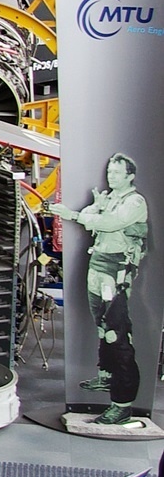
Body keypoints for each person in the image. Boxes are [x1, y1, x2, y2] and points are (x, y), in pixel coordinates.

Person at [51, 153, 150, 425]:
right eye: (109, 171)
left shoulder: (134, 202)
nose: (111, 176)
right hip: (100, 265)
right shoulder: (110, 198)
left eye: (117, 173)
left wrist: (75, 214)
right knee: (101, 325)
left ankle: (123, 404)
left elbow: (109, 223)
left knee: (115, 335)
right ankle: (106, 376)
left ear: (130, 175)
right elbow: (90, 215)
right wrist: (95, 207)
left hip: (116, 271)